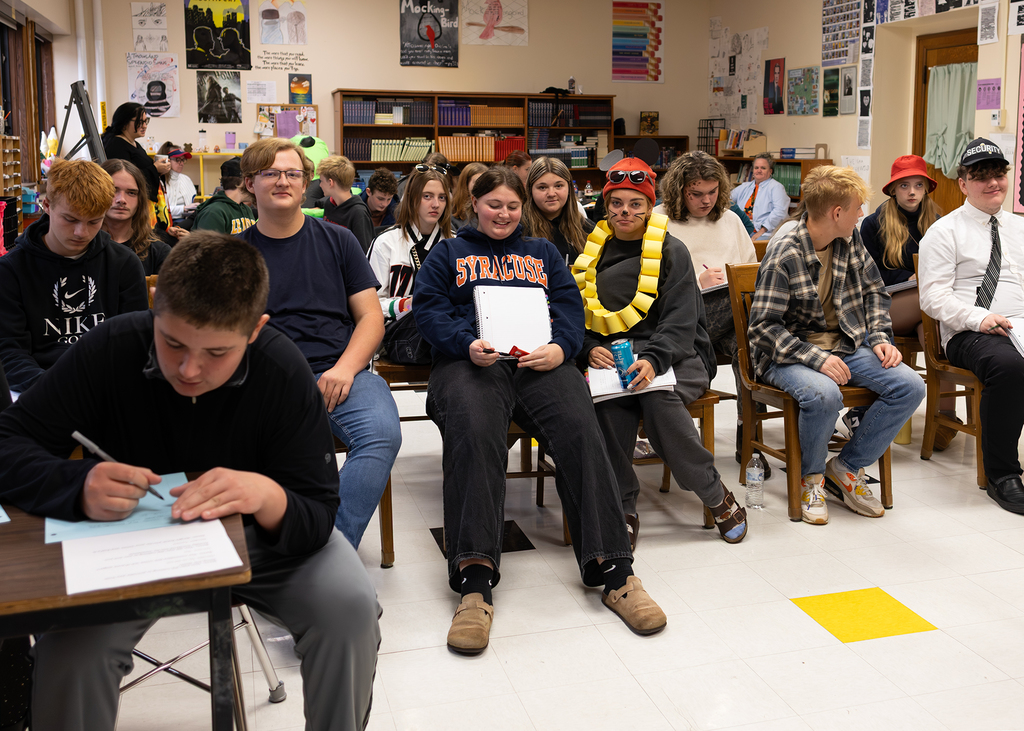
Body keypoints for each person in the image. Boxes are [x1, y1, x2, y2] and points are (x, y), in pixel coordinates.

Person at [0, 232, 381, 731]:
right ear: (155, 308)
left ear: (255, 330)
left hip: (257, 537)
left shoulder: (281, 370)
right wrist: (77, 483)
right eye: (172, 342)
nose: (190, 369)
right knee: (72, 652)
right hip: (130, 538)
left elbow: (317, 511)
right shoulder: (110, 348)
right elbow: (10, 442)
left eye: (218, 352)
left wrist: (267, 496)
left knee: (349, 609)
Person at [413, 166, 667, 655]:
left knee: (579, 426)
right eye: (494, 205)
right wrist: (465, 344)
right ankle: (474, 581)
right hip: (472, 363)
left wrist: (562, 347)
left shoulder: (543, 253)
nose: (503, 214)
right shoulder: (449, 252)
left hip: (540, 362)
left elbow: (571, 309)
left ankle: (615, 571)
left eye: (512, 206)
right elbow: (428, 312)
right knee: (475, 429)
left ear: (521, 208)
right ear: (473, 203)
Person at [575, 157, 748, 547]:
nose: (625, 212)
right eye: (616, 203)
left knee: (656, 399)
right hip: (614, 356)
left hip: (678, 354)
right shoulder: (593, 253)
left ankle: (710, 490)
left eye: (635, 204)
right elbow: (579, 316)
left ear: (649, 206)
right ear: (606, 205)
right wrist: (589, 349)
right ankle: (622, 505)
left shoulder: (671, 250)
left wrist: (654, 360)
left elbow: (682, 320)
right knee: (609, 406)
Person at [238, 137, 402, 547]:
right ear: (249, 183)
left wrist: (346, 368)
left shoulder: (339, 240)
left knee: (382, 432)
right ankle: (268, 550)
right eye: (270, 173)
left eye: (293, 173)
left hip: (338, 373)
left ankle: (328, 550)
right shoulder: (234, 254)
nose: (283, 181)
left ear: (306, 182)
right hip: (264, 381)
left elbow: (370, 318)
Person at [748, 165, 925, 525]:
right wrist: (815, 358)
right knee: (824, 393)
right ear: (837, 212)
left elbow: (875, 292)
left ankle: (845, 468)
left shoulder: (849, 238)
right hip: (786, 352)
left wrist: (878, 338)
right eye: (858, 207)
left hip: (843, 342)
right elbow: (763, 328)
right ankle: (810, 478)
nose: (863, 213)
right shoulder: (785, 251)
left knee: (910, 385)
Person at [919, 138, 1024, 515]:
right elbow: (932, 299)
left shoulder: (1019, 227)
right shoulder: (945, 232)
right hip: (970, 331)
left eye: (999, 174)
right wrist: (980, 318)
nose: (994, 182)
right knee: (1011, 368)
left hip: (1021, 323)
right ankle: (1003, 474)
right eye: (982, 177)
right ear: (963, 183)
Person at [653, 151, 765, 471]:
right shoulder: (659, 219)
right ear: (679, 191)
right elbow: (650, 285)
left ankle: (749, 438)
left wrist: (733, 282)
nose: (706, 201)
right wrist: (696, 283)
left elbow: (750, 272)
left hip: (727, 320)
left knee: (751, 348)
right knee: (753, 321)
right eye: (696, 194)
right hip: (682, 319)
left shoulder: (729, 219)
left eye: (713, 192)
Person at [0, 159, 148, 393]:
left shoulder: (124, 264)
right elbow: (9, 352)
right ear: (46, 205)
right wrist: (58, 391)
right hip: (39, 391)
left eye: (94, 221)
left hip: (108, 389)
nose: (82, 232)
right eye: (70, 219)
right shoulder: (10, 271)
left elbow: (135, 343)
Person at [852, 154, 950, 443]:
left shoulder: (940, 222)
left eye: (918, 185)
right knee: (934, 303)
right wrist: (904, 279)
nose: (911, 192)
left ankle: (944, 418)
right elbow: (868, 275)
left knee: (935, 329)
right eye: (904, 185)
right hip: (887, 305)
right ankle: (940, 414)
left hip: (923, 309)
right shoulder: (873, 223)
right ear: (893, 189)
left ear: (926, 189)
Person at [367, 165, 451, 364]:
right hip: (400, 333)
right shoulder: (386, 242)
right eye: (427, 196)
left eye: (442, 197)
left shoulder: (453, 244)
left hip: (448, 332)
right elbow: (369, 305)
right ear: (412, 198)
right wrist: (405, 304)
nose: (436, 204)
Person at [100, 159, 171, 275]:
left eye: (131, 193)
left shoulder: (159, 253)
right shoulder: (80, 247)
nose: (121, 200)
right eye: (113, 190)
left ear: (140, 200)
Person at [522, 156, 595, 267]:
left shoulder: (588, 230)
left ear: (569, 188)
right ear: (530, 190)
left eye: (558, 186)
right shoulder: (519, 230)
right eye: (542, 187)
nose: (551, 193)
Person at [101, 102, 166, 203]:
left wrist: (159, 170)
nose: (144, 126)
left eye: (146, 121)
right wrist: (155, 169)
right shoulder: (116, 144)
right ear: (125, 123)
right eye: (140, 122)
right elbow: (124, 177)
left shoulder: (134, 143)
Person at [315, 155, 375, 252]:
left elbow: (364, 254)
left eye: (321, 181)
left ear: (330, 182)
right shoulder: (328, 204)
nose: (320, 185)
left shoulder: (358, 213)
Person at [730, 152, 790, 240]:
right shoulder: (745, 186)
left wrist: (760, 232)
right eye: (756, 168)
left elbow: (779, 213)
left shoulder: (776, 187)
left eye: (763, 168)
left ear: (770, 171)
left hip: (765, 233)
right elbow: (727, 199)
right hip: (743, 230)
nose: (759, 170)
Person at [192, 157, 256, 235]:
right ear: (243, 183)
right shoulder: (214, 212)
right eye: (251, 182)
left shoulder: (246, 209)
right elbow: (207, 246)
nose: (254, 186)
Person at [158, 143, 198, 222]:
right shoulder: (159, 181)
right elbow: (160, 210)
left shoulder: (186, 179)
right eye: (177, 160)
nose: (181, 163)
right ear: (166, 160)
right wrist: (184, 208)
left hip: (187, 219)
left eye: (182, 160)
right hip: (167, 222)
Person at [450, 161, 488, 230]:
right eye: (477, 182)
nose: (482, 187)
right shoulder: (452, 214)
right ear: (465, 185)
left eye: (485, 183)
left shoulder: (490, 210)